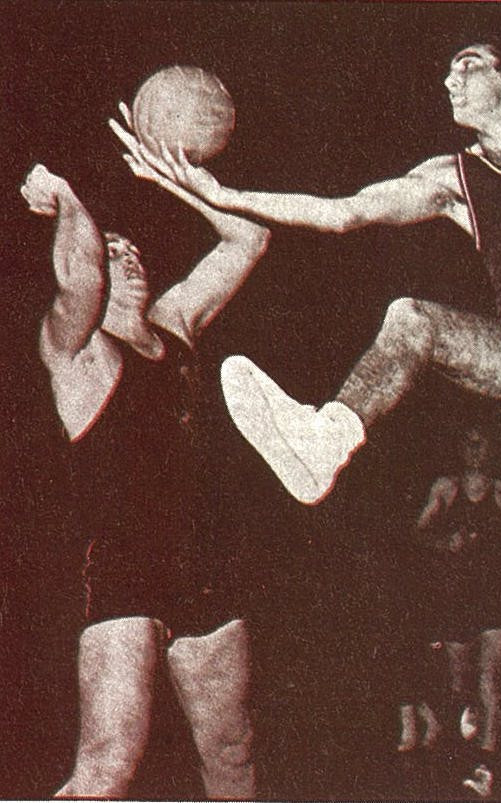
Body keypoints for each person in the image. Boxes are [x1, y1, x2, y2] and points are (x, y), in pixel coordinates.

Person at [111, 48, 501, 796]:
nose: (451, 79)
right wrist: (220, 192)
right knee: (412, 319)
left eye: (469, 65)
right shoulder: (452, 179)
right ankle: (327, 437)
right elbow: (345, 212)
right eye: (448, 72)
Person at [20, 155, 270, 799]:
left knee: (233, 752)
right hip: (127, 567)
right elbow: (79, 278)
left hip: (205, 561)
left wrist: (177, 180)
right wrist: (68, 197)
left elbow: (249, 238)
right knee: (108, 766)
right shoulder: (78, 351)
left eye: (132, 248)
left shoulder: (174, 323)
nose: (126, 256)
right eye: (112, 249)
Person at [397, 425, 501, 798]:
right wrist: (445, 542)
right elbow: (415, 534)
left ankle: (484, 767)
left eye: (481, 442)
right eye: (467, 442)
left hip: (495, 598)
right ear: (458, 448)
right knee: (459, 685)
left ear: (493, 448)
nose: (474, 450)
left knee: (490, 679)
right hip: (456, 597)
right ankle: (463, 718)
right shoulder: (446, 488)